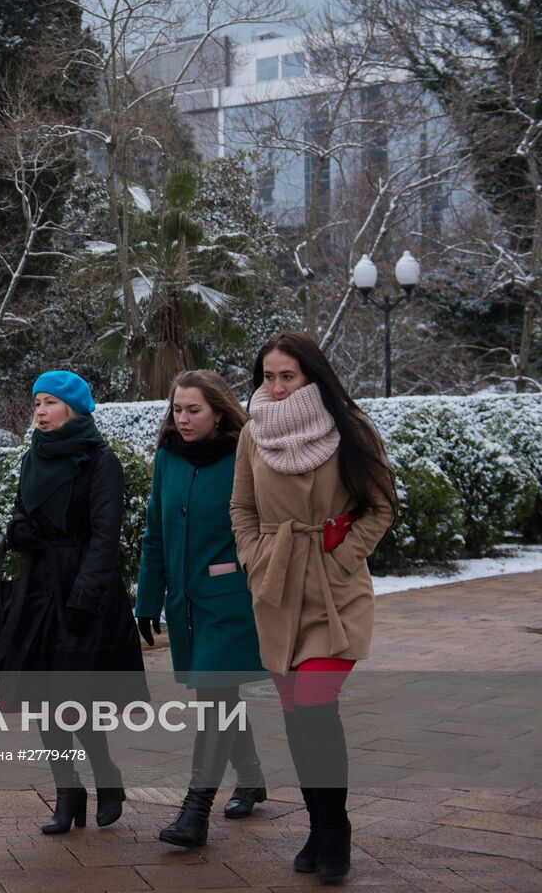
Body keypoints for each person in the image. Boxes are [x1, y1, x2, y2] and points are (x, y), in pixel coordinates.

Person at [230, 332, 396, 885]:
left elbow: (381, 505)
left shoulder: (351, 428)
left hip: (335, 589)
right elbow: (242, 508)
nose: (275, 387)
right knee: (297, 717)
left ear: (311, 376)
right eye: (268, 376)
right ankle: (319, 827)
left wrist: (344, 557)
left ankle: (336, 831)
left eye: (288, 376)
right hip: (276, 590)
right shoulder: (253, 434)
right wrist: (256, 559)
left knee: (317, 706)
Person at [0, 370, 147, 835]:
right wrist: (18, 529)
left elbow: (106, 536)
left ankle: (106, 776)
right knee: (44, 699)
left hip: (84, 591)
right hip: (40, 588)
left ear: (74, 409)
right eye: (37, 402)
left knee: (73, 699)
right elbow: (23, 511)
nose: (40, 411)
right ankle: (67, 791)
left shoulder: (101, 461)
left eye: (50, 402)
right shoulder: (32, 459)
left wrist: (86, 594)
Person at [135, 370, 270, 848]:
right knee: (222, 694)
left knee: (214, 696)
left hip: (231, 602)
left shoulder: (244, 455)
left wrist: (237, 568)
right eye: (177, 409)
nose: (184, 418)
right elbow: (155, 531)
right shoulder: (168, 458)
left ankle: (195, 811)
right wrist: (147, 598)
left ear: (218, 411)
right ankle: (251, 777)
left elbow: (261, 524)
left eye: (194, 409)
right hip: (184, 604)